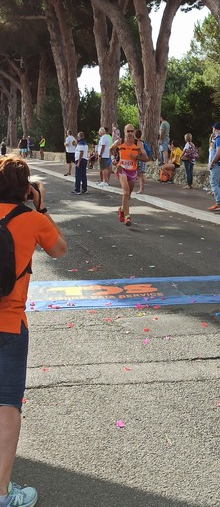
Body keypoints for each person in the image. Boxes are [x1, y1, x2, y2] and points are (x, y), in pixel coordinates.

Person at [0, 154, 67, 507]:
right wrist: (41, 207)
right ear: (26, 189)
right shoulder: (33, 220)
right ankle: (2, 492)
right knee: (7, 406)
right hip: (10, 326)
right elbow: (59, 250)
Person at [110, 124, 148, 226]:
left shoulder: (138, 144)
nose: (130, 133)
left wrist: (137, 157)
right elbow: (110, 149)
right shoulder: (119, 142)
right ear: (124, 132)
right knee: (126, 193)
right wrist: (113, 159)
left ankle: (122, 209)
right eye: (128, 131)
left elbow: (146, 158)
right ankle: (127, 216)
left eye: (132, 131)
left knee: (129, 195)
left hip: (132, 171)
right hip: (121, 169)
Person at [134, 130, 151, 194]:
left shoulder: (138, 143)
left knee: (140, 175)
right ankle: (141, 189)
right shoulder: (142, 142)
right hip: (143, 160)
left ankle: (141, 189)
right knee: (139, 175)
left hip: (140, 159)